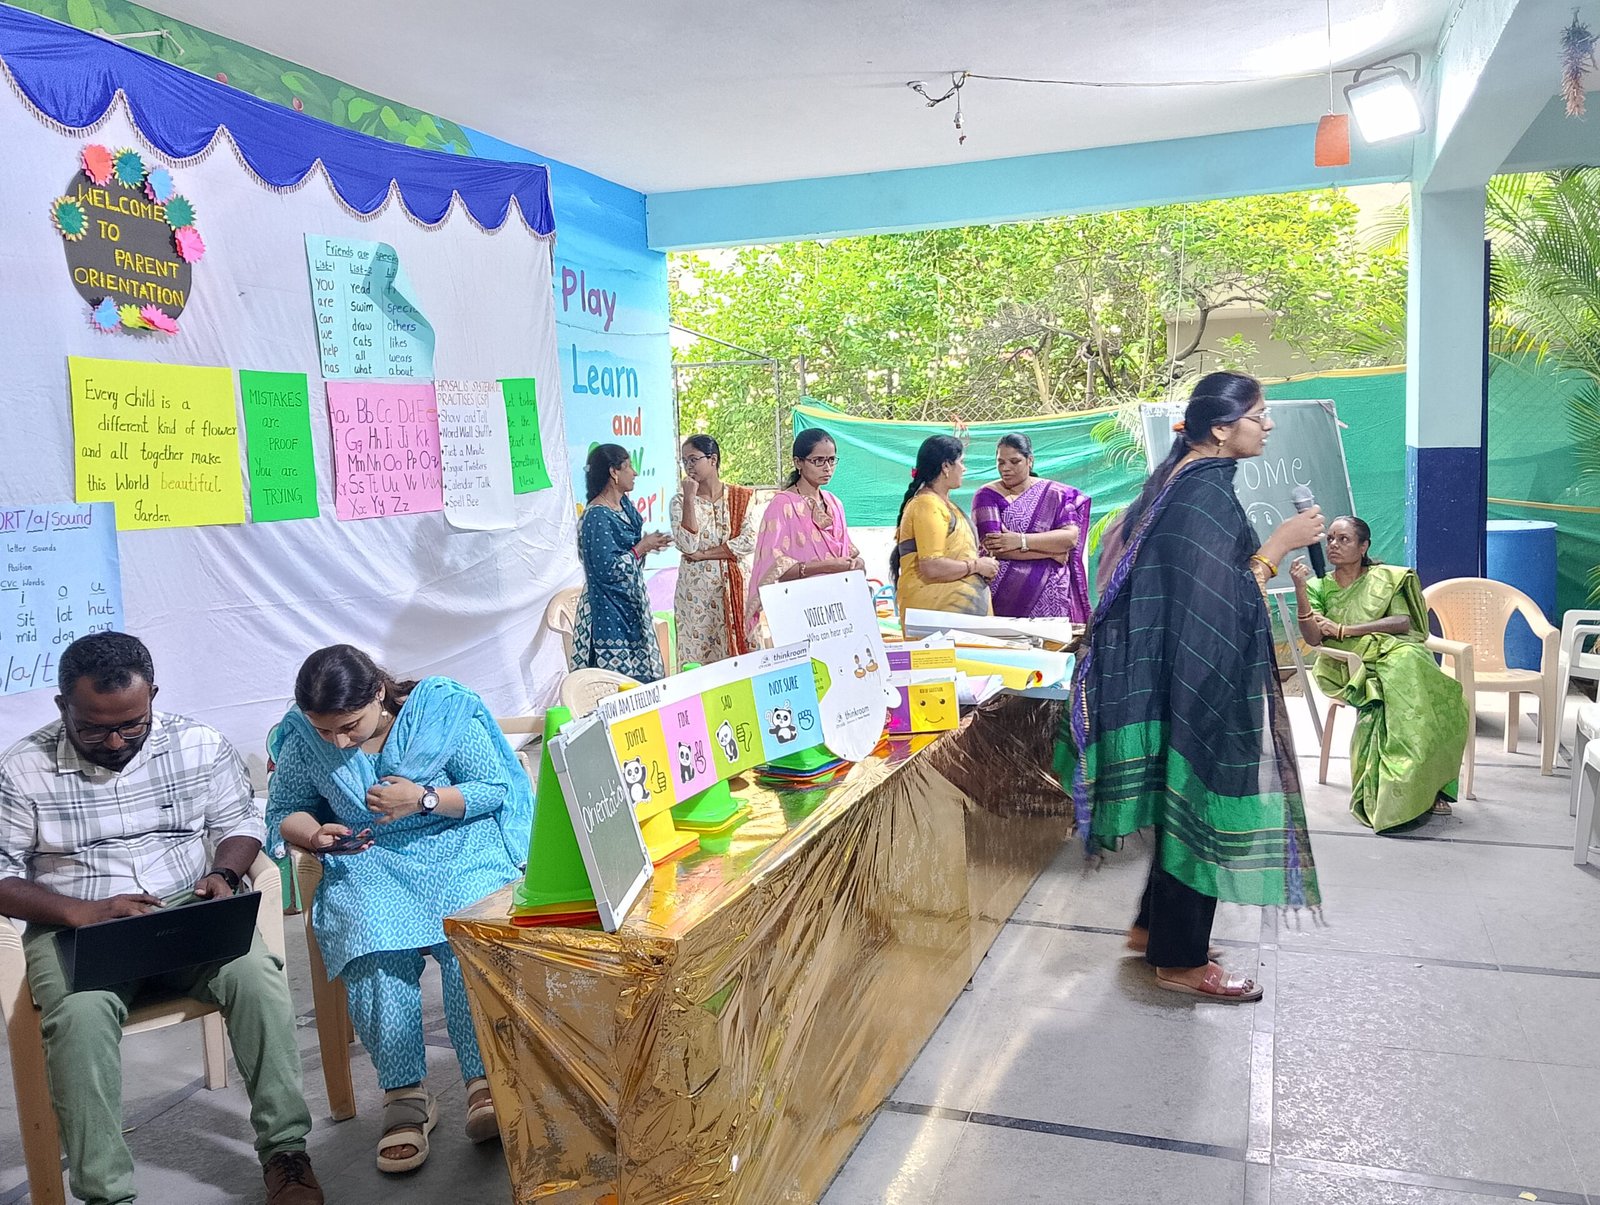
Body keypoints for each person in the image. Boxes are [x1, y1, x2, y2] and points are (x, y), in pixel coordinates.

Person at [0, 632, 323, 1205]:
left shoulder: (199, 743)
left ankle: (286, 1153)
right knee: (79, 1020)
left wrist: (224, 873)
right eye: (93, 729)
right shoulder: (22, 769)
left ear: (152, 696)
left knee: (257, 979)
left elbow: (239, 823)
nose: (115, 741)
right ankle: (107, 1195)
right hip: (77, 925)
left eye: (132, 725)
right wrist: (82, 912)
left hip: (185, 909)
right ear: (62, 706)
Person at [1061, 371, 1325, 1003]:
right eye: (1259, 415)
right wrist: (1276, 547)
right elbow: (1220, 597)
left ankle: (1153, 928)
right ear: (1221, 428)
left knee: (1178, 798)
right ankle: (1179, 961)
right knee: (1197, 800)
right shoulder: (1202, 494)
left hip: (1177, 669)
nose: (1268, 425)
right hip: (1198, 676)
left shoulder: (1183, 481)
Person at [267, 645, 533, 1175]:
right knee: (370, 945)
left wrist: (424, 798)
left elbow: (493, 789)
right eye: (325, 731)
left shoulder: (440, 710)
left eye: (350, 726)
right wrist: (315, 835)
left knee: (467, 936)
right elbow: (284, 810)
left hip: (458, 843)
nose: (339, 742)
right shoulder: (304, 738)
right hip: (369, 857)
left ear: (377, 694)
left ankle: (485, 1079)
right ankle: (405, 1095)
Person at [1293, 516, 1470, 831]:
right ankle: (1396, 797)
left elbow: (1401, 622)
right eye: (1330, 539)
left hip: (1395, 653)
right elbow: (1313, 638)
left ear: (1364, 547)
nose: (1333, 545)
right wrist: (1300, 590)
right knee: (1402, 698)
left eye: (1343, 539)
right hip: (1346, 666)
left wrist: (1344, 629)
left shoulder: (1386, 578)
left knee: (1441, 700)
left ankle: (1427, 788)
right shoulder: (1318, 586)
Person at [746, 428, 864, 641]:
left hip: (838, 607)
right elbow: (775, 569)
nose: (827, 468)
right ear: (798, 462)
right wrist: (827, 566)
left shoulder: (835, 503)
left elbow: (847, 552)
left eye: (831, 460)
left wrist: (857, 563)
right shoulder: (782, 505)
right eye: (818, 461)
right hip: (800, 607)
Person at [573, 443, 670, 682]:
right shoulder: (596, 516)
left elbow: (630, 555)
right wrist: (641, 548)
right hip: (609, 613)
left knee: (643, 682)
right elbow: (606, 570)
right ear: (613, 472)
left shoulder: (625, 506)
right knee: (617, 685)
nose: (634, 473)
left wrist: (647, 546)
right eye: (628, 466)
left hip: (631, 606)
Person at [973, 432, 1092, 622]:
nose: (1006, 468)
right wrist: (1052, 552)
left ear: (1030, 460)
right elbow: (996, 548)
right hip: (1005, 594)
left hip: (1051, 595)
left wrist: (1020, 540)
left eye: (1014, 461)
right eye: (1001, 462)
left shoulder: (1055, 494)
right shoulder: (987, 495)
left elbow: (1069, 539)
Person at [671, 434, 758, 666]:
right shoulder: (679, 501)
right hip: (697, 595)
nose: (688, 466)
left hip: (736, 587)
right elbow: (688, 545)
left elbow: (749, 541)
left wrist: (704, 555)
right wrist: (689, 499)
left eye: (693, 459)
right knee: (699, 656)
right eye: (684, 461)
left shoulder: (741, 497)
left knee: (741, 656)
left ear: (713, 459)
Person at [891, 434, 996, 620]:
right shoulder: (927, 505)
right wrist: (977, 566)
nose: (964, 468)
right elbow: (932, 566)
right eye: (961, 462)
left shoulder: (944, 505)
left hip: (956, 618)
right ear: (946, 466)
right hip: (938, 618)